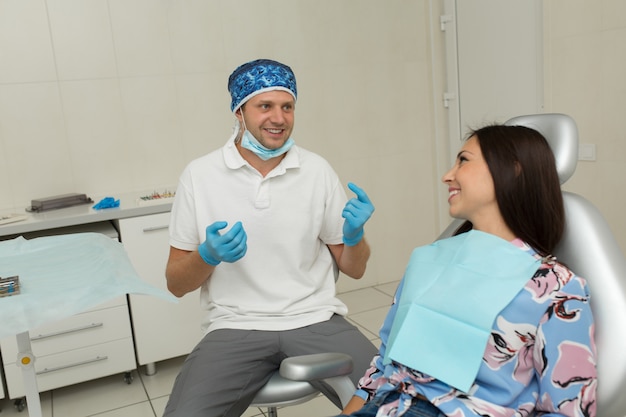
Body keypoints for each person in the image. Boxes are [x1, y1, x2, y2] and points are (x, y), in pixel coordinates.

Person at [162, 58, 378, 417]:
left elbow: (354, 269)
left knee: (395, 401)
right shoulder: (199, 176)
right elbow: (174, 284)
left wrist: (355, 238)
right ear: (239, 111)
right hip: (235, 325)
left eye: (287, 107)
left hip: (314, 318)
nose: (279, 118)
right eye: (265, 106)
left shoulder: (316, 170)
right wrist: (207, 257)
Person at [339, 125, 597, 417]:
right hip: (386, 407)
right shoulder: (427, 260)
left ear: (512, 169)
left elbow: (568, 411)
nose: (447, 175)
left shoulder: (554, 287)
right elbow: (384, 362)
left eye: (463, 160)